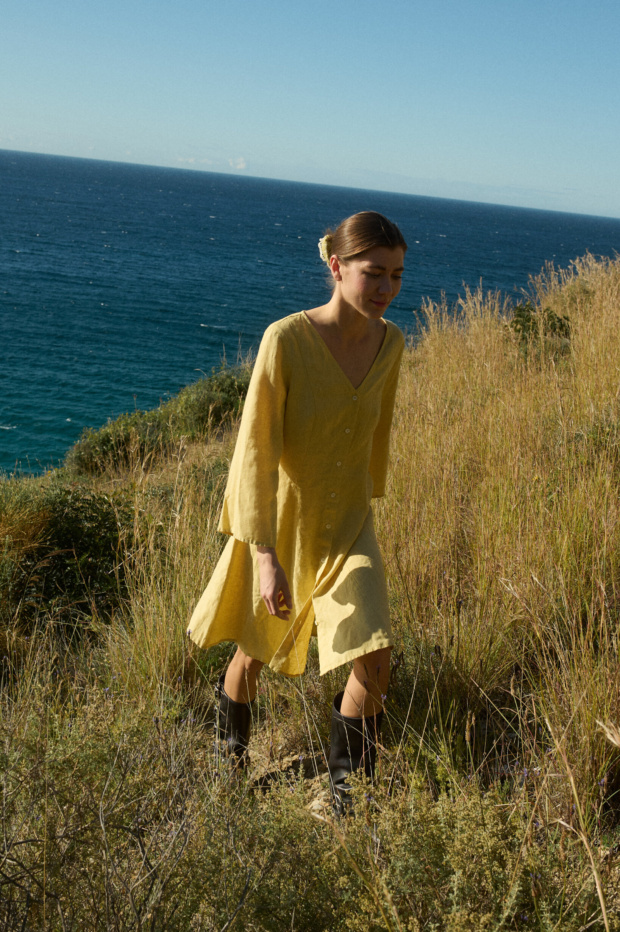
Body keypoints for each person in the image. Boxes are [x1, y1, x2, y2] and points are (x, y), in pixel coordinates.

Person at [188, 211, 407, 814]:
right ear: (336, 267)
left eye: (396, 275)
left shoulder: (393, 345)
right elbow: (253, 450)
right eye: (373, 274)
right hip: (281, 528)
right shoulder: (284, 340)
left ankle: (344, 793)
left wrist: (371, 493)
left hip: (349, 525)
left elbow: (376, 431)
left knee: (375, 653)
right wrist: (264, 555)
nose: (386, 289)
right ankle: (228, 761)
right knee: (254, 649)